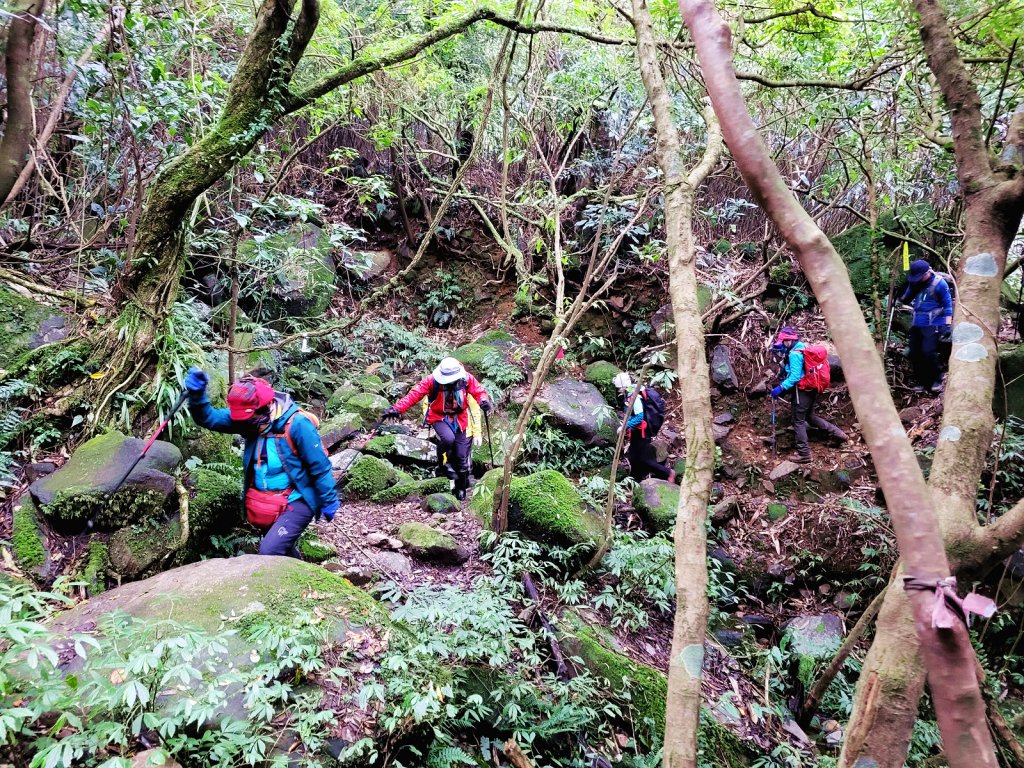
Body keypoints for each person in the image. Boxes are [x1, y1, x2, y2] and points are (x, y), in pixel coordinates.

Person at [183, 367, 339, 556]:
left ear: (265, 408)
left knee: (269, 551)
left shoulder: (298, 425)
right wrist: (197, 396)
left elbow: (319, 467)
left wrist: (329, 500)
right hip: (266, 502)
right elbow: (209, 418)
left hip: (298, 499)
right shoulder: (247, 419)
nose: (243, 424)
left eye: (249, 419)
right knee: (283, 549)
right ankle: (302, 579)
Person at [382, 357, 492, 500]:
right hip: (439, 416)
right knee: (448, 438)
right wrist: (396, 409)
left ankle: (460, 489)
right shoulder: (431, 381)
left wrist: (484, 401)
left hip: (460, 418)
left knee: (461, 457)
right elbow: (414, 395)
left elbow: (479, 391)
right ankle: (443, 463)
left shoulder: (466, 379)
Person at [770, 327, 848, 464]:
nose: (782, 345)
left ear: (789, 340)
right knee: (810, 417)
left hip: (802, 391)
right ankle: (838, 434)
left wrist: (781, 388)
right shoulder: (803, 347)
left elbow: (794, 377)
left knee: (798, 421)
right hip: (812, 389)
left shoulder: (794, 354)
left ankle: (804, 454)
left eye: (783, 342)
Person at [899, 259, 953, 394]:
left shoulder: (939, 284)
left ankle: (937, 379)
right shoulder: (915, 283)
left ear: (928, 272)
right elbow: (905, 299)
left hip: (934, 323)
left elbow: (948, 306)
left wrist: (947, 325)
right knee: (914, 353)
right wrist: (903, 291)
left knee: (928, 352)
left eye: (920, 277)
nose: (918, 279)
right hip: (917, 322)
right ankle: (921, 382)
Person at [613, 372, 675, 483]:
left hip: (642, 431)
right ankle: (635, 480)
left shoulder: (634, 396)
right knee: (633, 456)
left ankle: (668, 473)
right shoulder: (632, 391)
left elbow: (639, 417)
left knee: (643, 459)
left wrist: (624, 426)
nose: (618, 391)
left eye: (618, 388)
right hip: (637, 431)